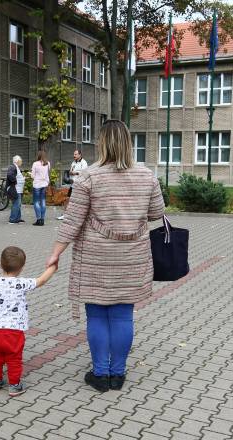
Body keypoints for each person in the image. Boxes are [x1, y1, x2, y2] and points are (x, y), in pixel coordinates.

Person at [45, 120, 165, 392]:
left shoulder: (90, 176)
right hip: (132, 256)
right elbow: (157, 212)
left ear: (102, 143)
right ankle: (118, 374)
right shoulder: (147, 175)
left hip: (95, 257)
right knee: (123, 315)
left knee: (97, 314)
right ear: (128, 143)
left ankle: (100, 374)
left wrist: (55, 254)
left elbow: (73, 220)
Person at [0, 246, 57, 396]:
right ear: (21, 267)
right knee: (14, 358)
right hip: (14, 331)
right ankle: (14, 385)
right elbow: (42, 280)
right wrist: (53, 267)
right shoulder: (21, 283)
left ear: (0, 264)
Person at [57, 149, 88, 220]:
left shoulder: (84, 163)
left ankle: (81, 216)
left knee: (79, 201)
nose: (74, 156)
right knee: (68, 199)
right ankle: (65, 214)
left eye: (76, 154)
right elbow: (70, 171)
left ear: (80, 155)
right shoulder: (73, 162)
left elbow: (84, 173)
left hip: (80, 185)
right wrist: (71, 173)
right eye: (74, 154)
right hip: (73, 184)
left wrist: (75, 173)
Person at [30, 150, 50, 226]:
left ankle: (38, 220)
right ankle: (42, 219)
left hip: (37, 185)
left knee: (36, 202)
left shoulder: (35, 164)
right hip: (44, 184)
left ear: (38, 155)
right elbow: (48, 174)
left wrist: (31, 174)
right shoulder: (48, 163)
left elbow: (32, 176)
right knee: (43, 201)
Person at [6, 155, 25, 224]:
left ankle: (17, 218)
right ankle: (12, 219)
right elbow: (10, 175)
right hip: (15, 189)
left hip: (18, 189)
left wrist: (23, 179)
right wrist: (15, 181)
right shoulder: (12, 167)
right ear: (17, 161)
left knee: (18, 204)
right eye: (21, 161)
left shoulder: (16, 167)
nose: (21, 162)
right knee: (16, 204)